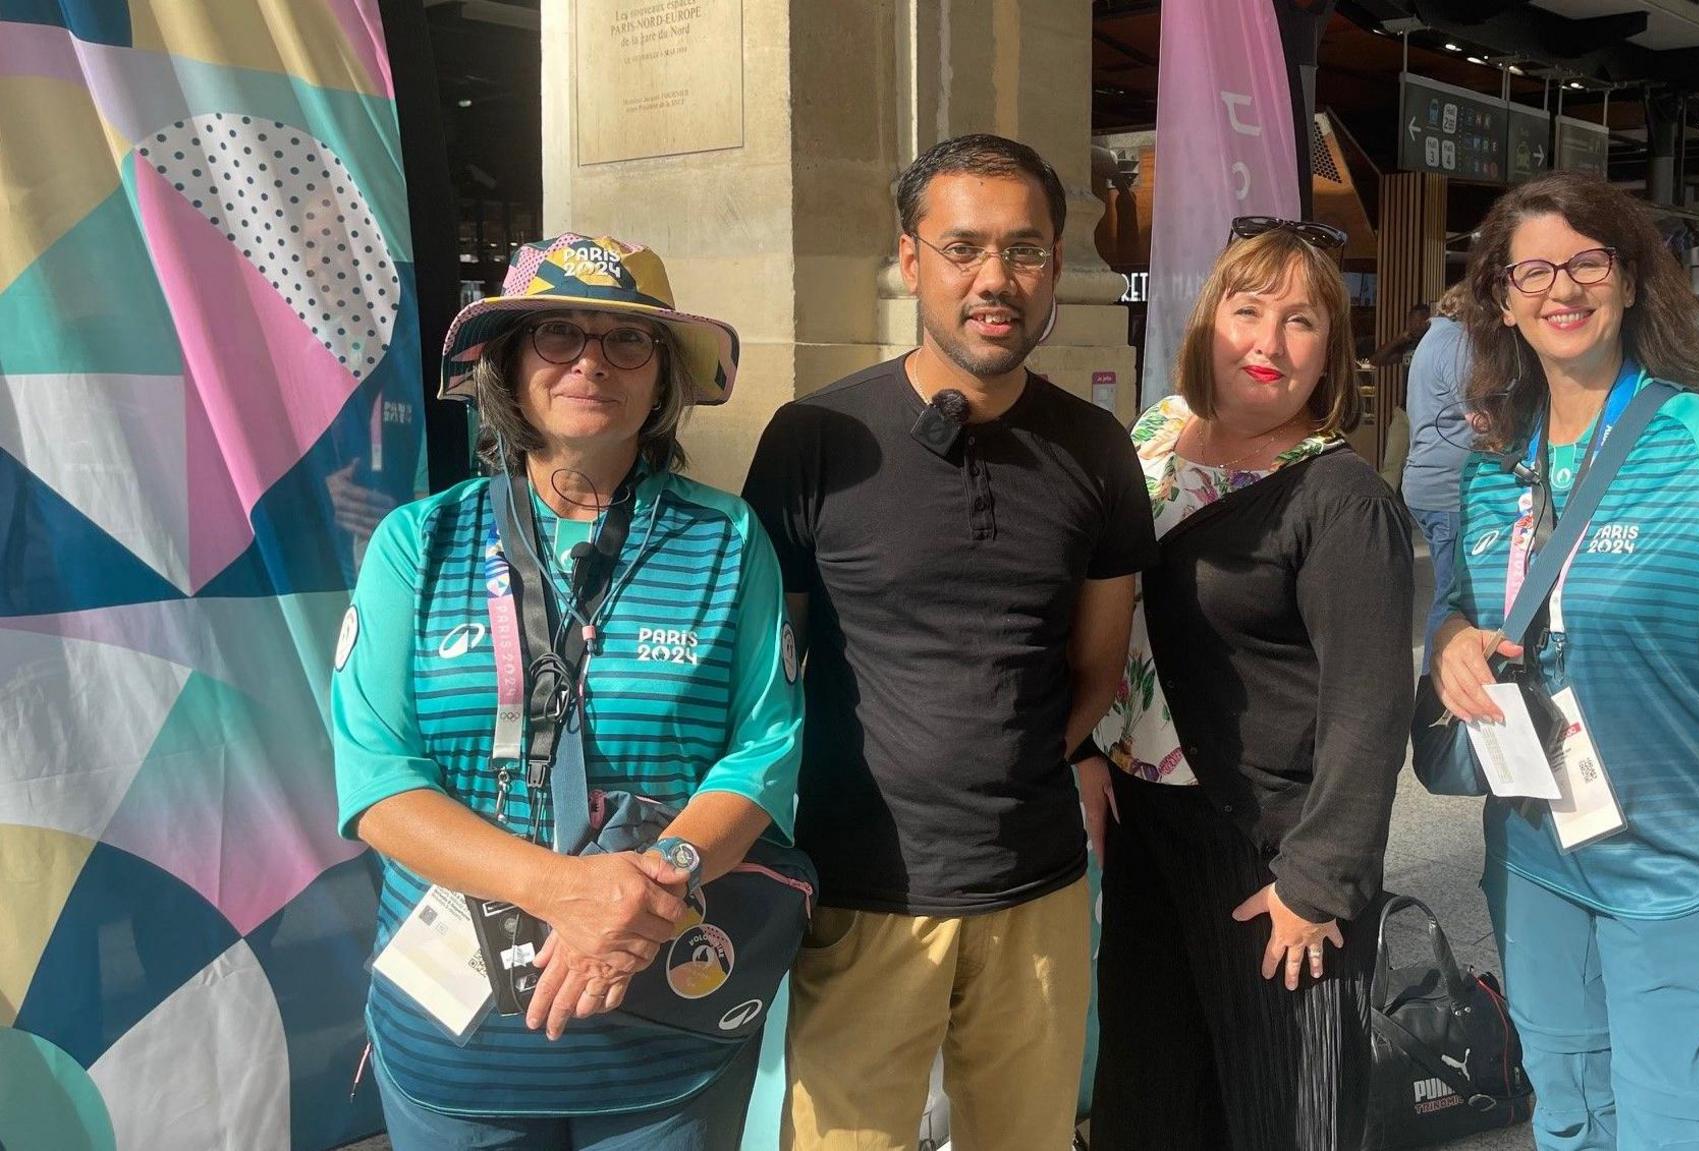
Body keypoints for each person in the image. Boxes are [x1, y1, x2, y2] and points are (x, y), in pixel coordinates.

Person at [1429, 173, 1699, 1150]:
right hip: (1537, 855)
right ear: (1501, 297)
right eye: (1533, 268)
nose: (1562, 286)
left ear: (1629, 281)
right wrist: (1449, 642)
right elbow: (1461, 607)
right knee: (1569, 1117)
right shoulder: (1493, 465)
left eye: (1587, 260)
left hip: (1683, 865)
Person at [332, 233, 802, 1149]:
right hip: (456, 1046)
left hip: (668, 1028)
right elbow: (377, 781)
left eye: (627, 340)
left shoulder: (729, 539)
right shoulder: (416, 543)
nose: (591, 360)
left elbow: (765, 749)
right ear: (507, 363)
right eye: (556, 333)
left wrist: (645, 890)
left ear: (663, 377)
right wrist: (567, 892)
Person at [742, 134, 1154, 1151]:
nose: (993, 280)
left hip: (1039, 887)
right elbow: (767, 671)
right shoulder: (816, 438)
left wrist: (1013, 766)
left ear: (1056, 262)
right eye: (962, 247)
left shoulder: (1096, 449)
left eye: (1023, 249)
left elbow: (1098, 667)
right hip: (864, 883)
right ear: (909, 257)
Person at [1081, 221, 1413, 1150]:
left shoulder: (1342, 498)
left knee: (1283, 1108)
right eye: (1248, 308)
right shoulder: (1150, 438)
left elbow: (1369, 705)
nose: (1268, 343)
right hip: (1148, 825)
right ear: (1208, 321)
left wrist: (1320, 882)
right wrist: (1084, 747)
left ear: (1330, 353)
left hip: (1272, 845)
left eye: (1301, 321)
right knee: (1151, 1093)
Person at [1404, 281, 1476, 659]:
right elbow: (1480, 413)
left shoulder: (1433, 338)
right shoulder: (1458, 342)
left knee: (1448, 591)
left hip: (1426, 479)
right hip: (1447, 487)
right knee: (1452, 599)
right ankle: (1434, 699)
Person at [1368, 301, 1433, 368]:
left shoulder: (1434, 344)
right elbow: (1374, 361)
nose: (1416, 325)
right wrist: (1397, 340)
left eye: (1420, 322)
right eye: (1414, 321)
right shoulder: (1407, 346)